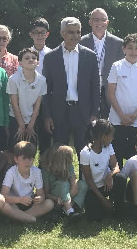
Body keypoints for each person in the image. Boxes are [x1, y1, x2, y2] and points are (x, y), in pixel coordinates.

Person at [42, 17, 100, 157]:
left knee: (84, 152)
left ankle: (83, 179)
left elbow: (95, 87)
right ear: (62, 33)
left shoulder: (90, 56)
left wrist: (94, 112)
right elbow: (45, 89)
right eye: (71, 32)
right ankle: (61, 179)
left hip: (82, 111)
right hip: (59, 112)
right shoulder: (51, 57)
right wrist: (47, 115)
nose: (75, 36)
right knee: (59, 151)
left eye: (78, 32)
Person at [107, 33, 137, 168]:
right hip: (117, 119)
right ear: (123, 49)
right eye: (130, 48)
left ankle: (134, 186)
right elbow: (111, 93)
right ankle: (118, 185)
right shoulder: (116, 66)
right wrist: (122, 116)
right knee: (117, 153)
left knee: (134, 156)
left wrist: (134, 116)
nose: (133, 51)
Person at [80, 8, 124, 119]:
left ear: (107, 22)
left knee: (108, 128)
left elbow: (121, 69)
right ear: (90, 22)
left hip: (109, 90)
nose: (99, 23)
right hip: (88, 90)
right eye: (96, 20)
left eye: (102, 20)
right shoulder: (81, 42)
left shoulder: (118, 43)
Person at [79, 120, 126, 221]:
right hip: (94, 189)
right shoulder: (85, 153)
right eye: (111, 135)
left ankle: (119, 210)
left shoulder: (109, 147)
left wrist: (110, 175)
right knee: (95, 218)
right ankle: (104, 206)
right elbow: (89, 180)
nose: (113, 138)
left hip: (107, 185)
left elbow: (116, 166)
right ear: (104, 136)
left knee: (120, 178)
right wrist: (103, 200)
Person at [1, 141, 55, 222]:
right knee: (4, 206)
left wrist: (40, 198)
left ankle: (20, 217)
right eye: (24, 158)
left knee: (49, 203)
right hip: (14, 202)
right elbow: (3, 196)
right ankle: (29, 218)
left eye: (30, 158)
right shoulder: (11, 172)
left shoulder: (37, 172)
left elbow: (41, 194)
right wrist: (20, 200)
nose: (27, 162)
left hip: (29, 202)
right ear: (16, 159)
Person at [7, 47, 47, 147]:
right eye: (27, 58)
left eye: (34, 58)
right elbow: (14, 105)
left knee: (30, 149)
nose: (31, 60)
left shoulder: (42, 80)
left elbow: (37, 106)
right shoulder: (13, 79)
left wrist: (30, 126)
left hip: (32, 120)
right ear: (20, 62)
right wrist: (21, 125)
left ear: (38, 62)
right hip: (16, 119)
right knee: (16, 149)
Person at [41, 144, 87, 217]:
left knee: (83, 184)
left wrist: (66, 199)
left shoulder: (69, 166)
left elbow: (74, 187)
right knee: (63, 184)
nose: (71, 160)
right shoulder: (46, 171)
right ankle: (70, 211)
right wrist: (56, 198)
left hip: (68, 194)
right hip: (55, 196)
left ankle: (66, 209)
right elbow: (46, 193)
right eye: (69, 158)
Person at [28, 17, 53, 153]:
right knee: (29, 139)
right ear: (31, 34)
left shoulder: (53, 54)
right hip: (29, 101)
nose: (39, 35)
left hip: (47, 102)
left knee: (45, 140)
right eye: (36, 32)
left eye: (42, 32)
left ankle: (44, 170)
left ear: (47, 34)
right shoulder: (26, 55)